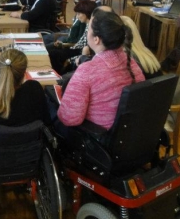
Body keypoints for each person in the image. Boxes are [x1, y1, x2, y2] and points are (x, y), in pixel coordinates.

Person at [56, 10, 145, 138]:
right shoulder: (132, 64)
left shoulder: (87, 70)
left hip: (96, 140)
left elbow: (69, 118)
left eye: (88, 29)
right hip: (128, 138)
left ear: (96, 39)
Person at [46, 0, 97, 74]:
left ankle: (58, 74)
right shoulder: (87, 24)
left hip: (80, 51)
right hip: (77, 48)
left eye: (79, 14)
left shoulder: (91, 27)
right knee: (51, 48)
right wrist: (63, 44)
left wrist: (64, 45)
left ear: (87, 13)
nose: (78, 16)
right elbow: (80, 42)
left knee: (53, 53)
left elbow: (82, 45)